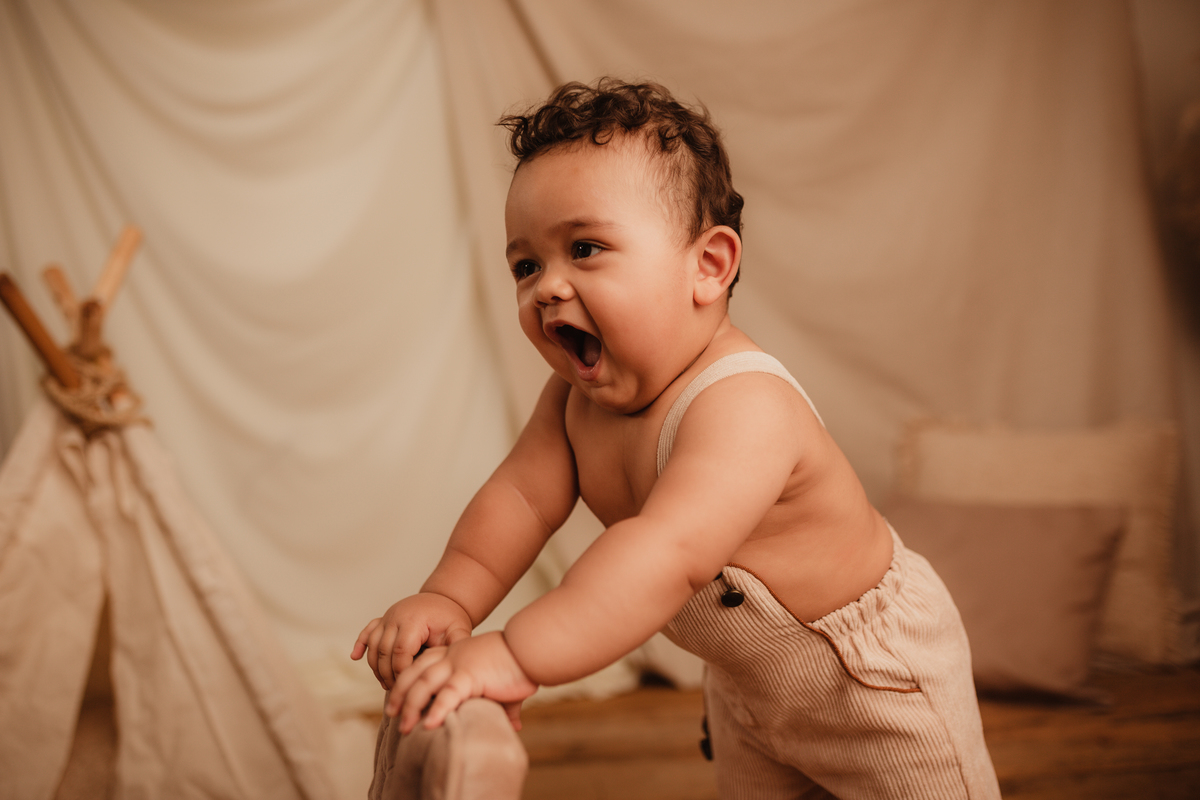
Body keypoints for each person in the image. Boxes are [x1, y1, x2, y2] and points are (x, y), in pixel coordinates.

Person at [352, 78, 1001, 799]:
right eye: (526, 265)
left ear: (709, 267)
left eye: (586, 248)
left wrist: (516, 652)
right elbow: (518, 500)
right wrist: (449, 599)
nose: (548, 289)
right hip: (748, 688)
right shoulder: (575, 400)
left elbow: (664, 556)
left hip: (872, 679)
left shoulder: (745, 404)